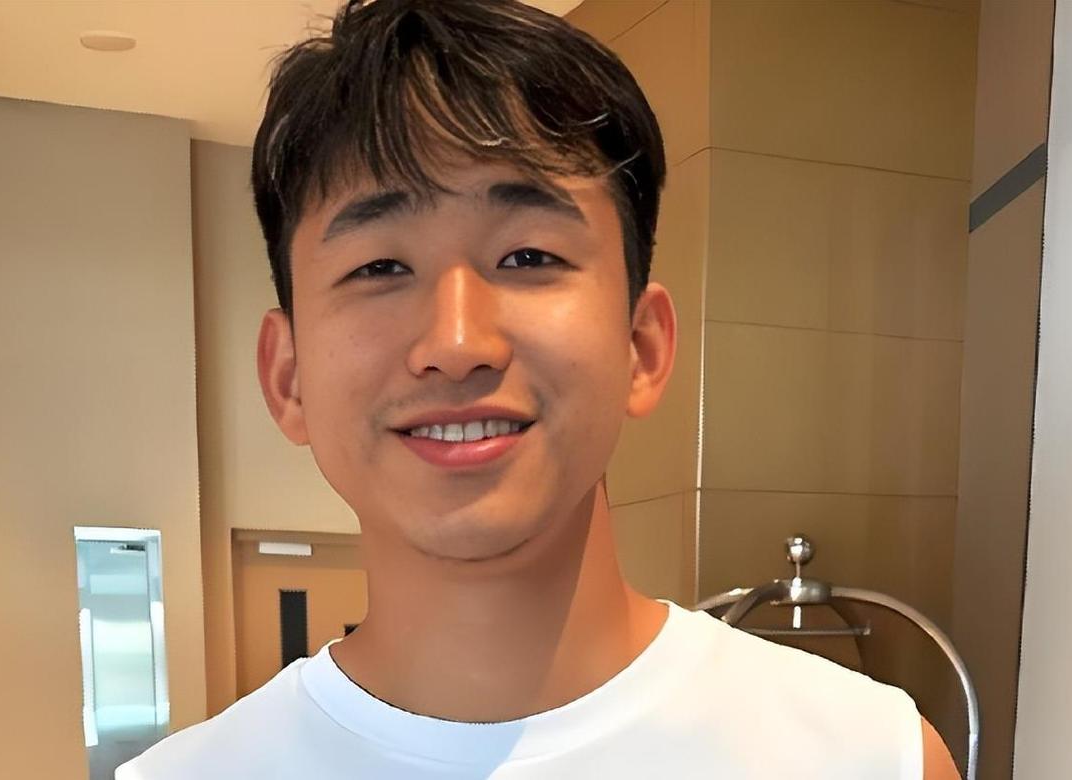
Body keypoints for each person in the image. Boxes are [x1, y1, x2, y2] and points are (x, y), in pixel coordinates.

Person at [118, 0, 960, 777]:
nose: (456, 344)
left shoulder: (867, 756)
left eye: (527, 256)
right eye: (379, 267)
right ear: (288, 376)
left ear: (642, 346)